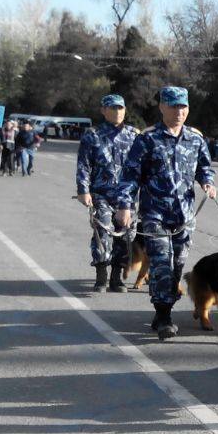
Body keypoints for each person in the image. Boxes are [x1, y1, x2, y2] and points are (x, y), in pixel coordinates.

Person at [115, 86, 216, 341]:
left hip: (185, 216)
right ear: (162, 107)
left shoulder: (195, 139)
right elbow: (130, 175)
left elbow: (205, 167)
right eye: (173, 106)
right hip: (155, 214)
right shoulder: (147, 139)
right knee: (161, 263)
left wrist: (207, 182)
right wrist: (125, 206)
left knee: (177, 265)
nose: (179, 111)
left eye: (183, 106)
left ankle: (164, 308)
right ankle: (163, 316)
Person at [77, 94, 140, 292]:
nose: (117, 112)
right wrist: (83, 190)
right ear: (103, 110)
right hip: (101, 194)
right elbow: (84, 164)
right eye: (113, 108)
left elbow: (143, 166)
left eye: (120, 108)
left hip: (127, 196)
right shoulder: (92, 135)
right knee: (102, 230)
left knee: (127, 234)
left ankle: (116, 276)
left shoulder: (134, 135)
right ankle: (101, 273)